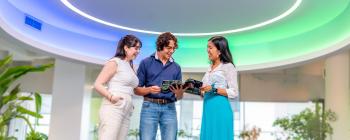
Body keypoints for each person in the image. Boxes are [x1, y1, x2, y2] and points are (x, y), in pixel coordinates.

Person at [135, 32, 187, 140]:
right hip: (149, 106)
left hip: (170, 108)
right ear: (160, 46)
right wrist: (149, 89)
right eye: (169, 48)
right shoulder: (145, 63)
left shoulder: (176, 67)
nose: (172, 51)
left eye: (173, 48)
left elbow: (179, 96)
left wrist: (180, 93)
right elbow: (136, 90)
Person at [94, 35, 142, 140]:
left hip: (127, 109)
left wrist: (130, 104)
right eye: (136, 48)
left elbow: (132, 88)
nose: (138, 51)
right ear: (126, 47)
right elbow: (97, 84)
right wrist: (112, 98)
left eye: (139, 48)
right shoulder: (115, 62)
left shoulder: (131, 66)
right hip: (114, 106)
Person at [199, 36, 239, 140]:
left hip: (221, 109)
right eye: (207, 47)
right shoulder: (208, 69)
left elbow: (234, 92)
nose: (207, 50)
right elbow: (204, 90)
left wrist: (214, 90)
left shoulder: (228, 67)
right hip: (208, 109)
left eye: (210, 47)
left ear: (220, 50)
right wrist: (198, 90)